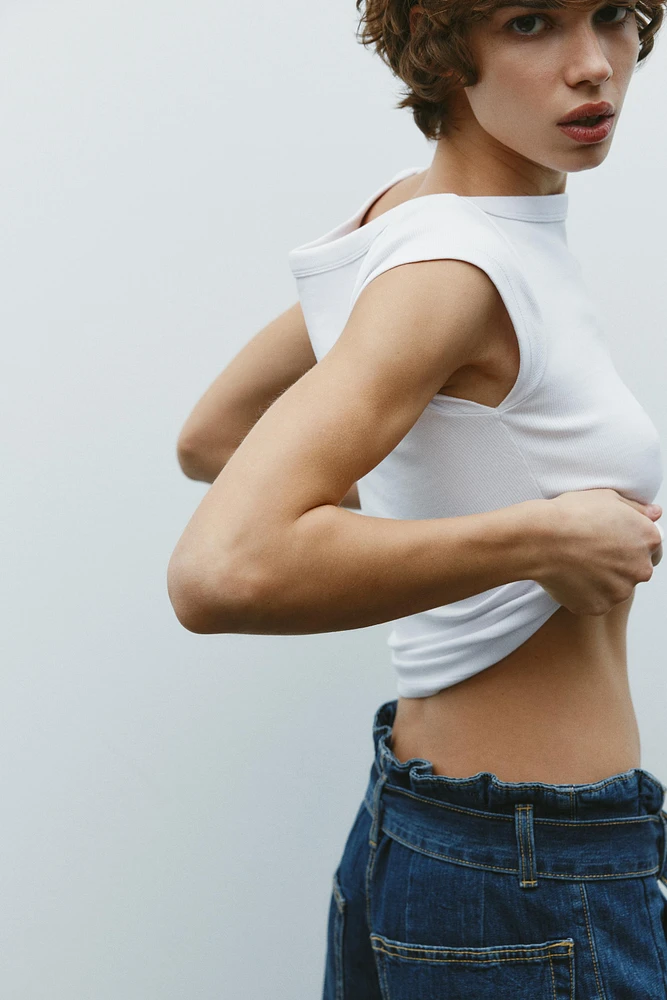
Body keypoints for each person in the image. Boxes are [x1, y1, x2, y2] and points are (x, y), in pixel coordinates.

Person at [168, 0, 667, 994]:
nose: (593, 66)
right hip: (525, 875)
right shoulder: (451, 271)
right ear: (444, 48)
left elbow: (214, 434)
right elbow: (219, 572)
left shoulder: (418, 221)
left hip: (433, 831)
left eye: (612, 15)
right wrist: (538, 538)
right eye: (531, 23)